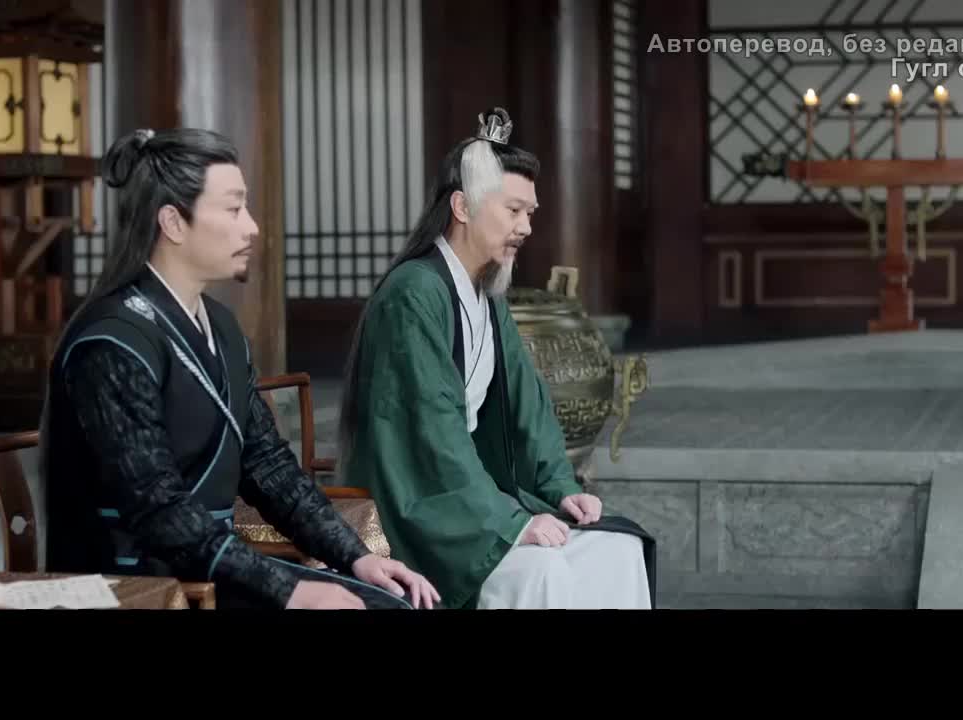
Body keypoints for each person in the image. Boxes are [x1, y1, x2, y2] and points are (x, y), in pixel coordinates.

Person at [39, 127, 440, 610]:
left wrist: (355, 557)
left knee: (400, 600)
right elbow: (158, 509)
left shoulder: (222, 328)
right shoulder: (111, 342)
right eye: (233, 209)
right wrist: (291, 590)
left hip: (205, 570)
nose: (251, 227)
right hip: (134, 583)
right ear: (173, 222)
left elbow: (268, 465)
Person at [337, 108, 657, 610]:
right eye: (513, 210)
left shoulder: (486, 293)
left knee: (617, 549)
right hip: (418, 506)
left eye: (530, 213)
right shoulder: (413, 293)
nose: (525, 227)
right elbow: (431, 432)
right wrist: (508, 523)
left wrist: (559, 487)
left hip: (469, 499)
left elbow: (526, 404)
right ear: (462, 207)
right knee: (541, 568)